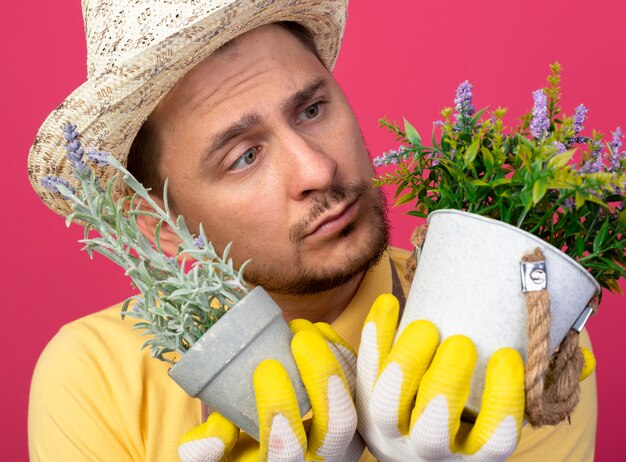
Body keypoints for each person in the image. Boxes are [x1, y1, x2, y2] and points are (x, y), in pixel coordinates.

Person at [27, 1, 597, 461]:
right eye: (245, 156)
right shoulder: (96, 377)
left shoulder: (508, 328)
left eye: (311, 111)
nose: (317, 170)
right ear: (161, 225)